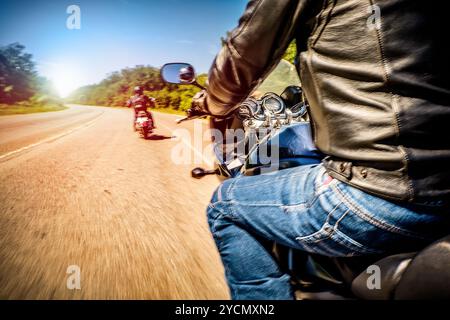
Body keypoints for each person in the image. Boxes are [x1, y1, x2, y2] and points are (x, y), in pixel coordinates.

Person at [189, 0, 450, 299]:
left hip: (380, 189)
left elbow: (244, 53)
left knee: (225, 205)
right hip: (440, 190)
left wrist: (211, 103)